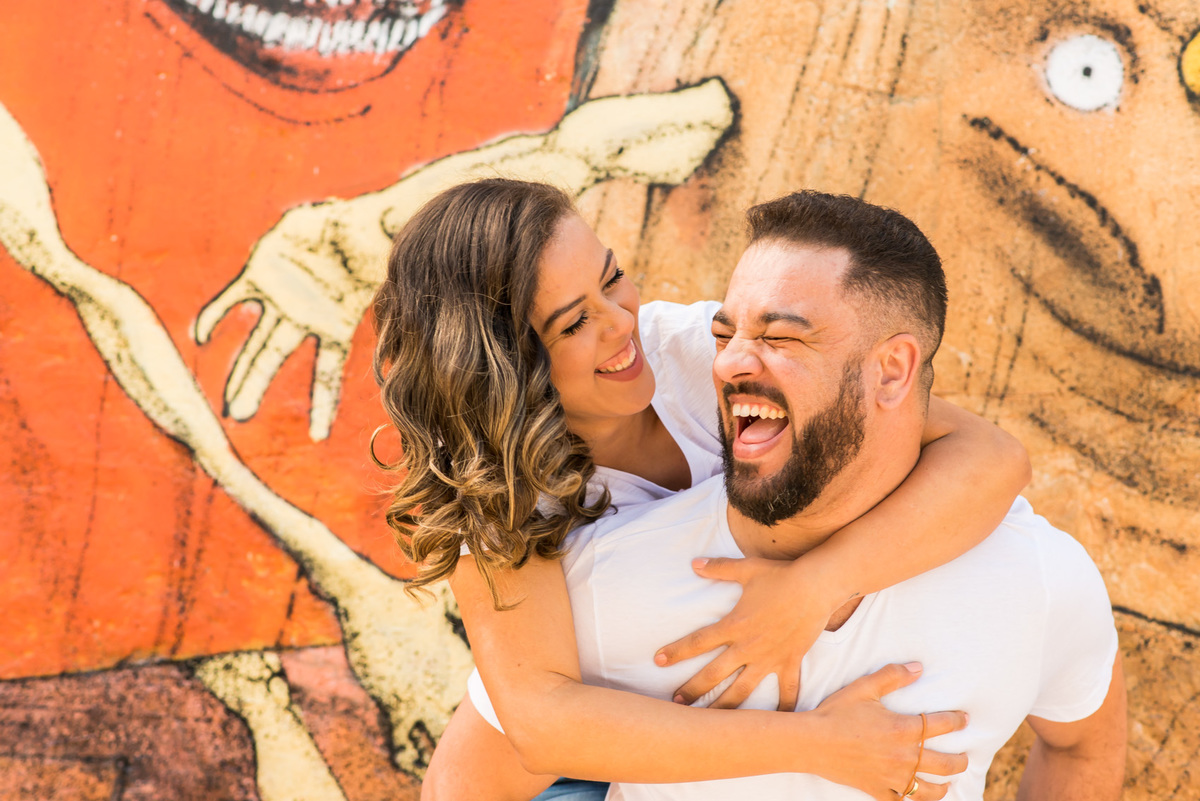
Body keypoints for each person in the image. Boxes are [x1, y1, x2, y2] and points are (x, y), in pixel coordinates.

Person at [371, 179, 1032, 799]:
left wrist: (817, 586)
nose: (620, 322)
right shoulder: (498, 491)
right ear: (500, 369)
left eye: (612, 278)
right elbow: (544, 723)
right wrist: (818, 744)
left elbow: (991, 457)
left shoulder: (695, 351)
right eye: (574, 324)